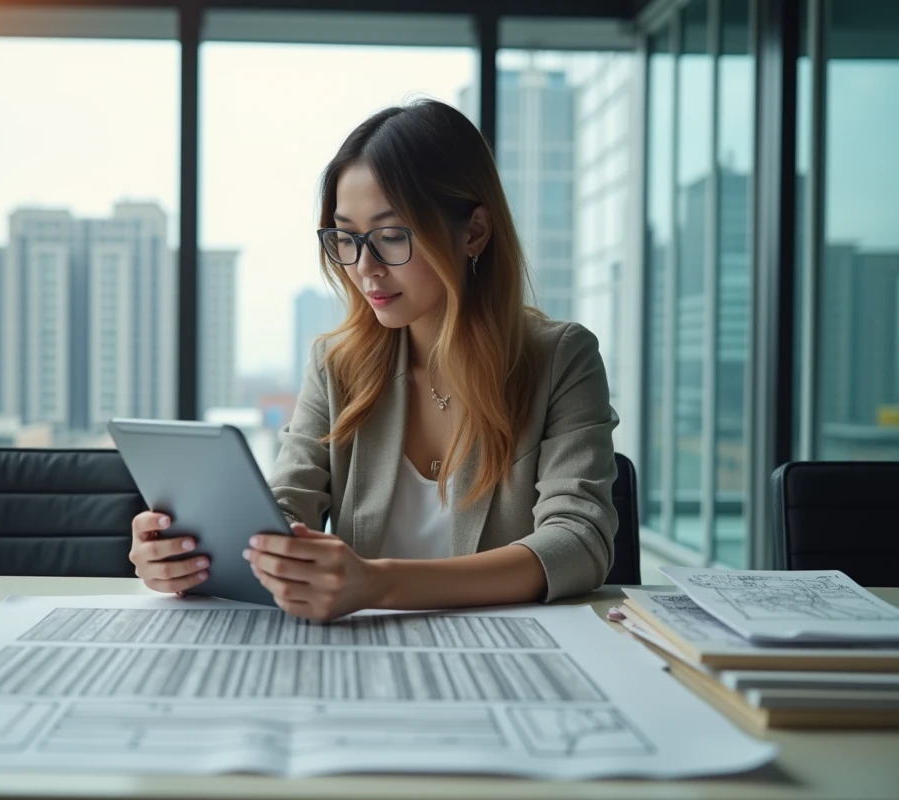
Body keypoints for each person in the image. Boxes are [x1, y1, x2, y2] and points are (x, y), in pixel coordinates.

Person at [130, 99, 618, 621]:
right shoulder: (337, 364)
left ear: (474, 231)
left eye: (390, 236)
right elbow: (283, 508)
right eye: (346, 237)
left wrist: (377, 584)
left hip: (507, 662)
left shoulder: (560, 358)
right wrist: (189, 553)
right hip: (359, 661)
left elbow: (578, 541)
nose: (365, 268)